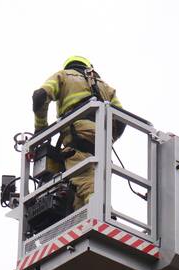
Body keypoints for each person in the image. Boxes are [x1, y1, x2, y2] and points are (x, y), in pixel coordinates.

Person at [32, 56, 123, 209]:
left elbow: (39, 96)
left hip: (77, 138)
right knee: (81, 185)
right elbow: (121, 120)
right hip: (102, 141)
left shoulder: (64, 76)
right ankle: (85, 215)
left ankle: (101, 211)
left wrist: (41, 129)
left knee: (85, 179)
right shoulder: (106, 87)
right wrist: (109, 139)